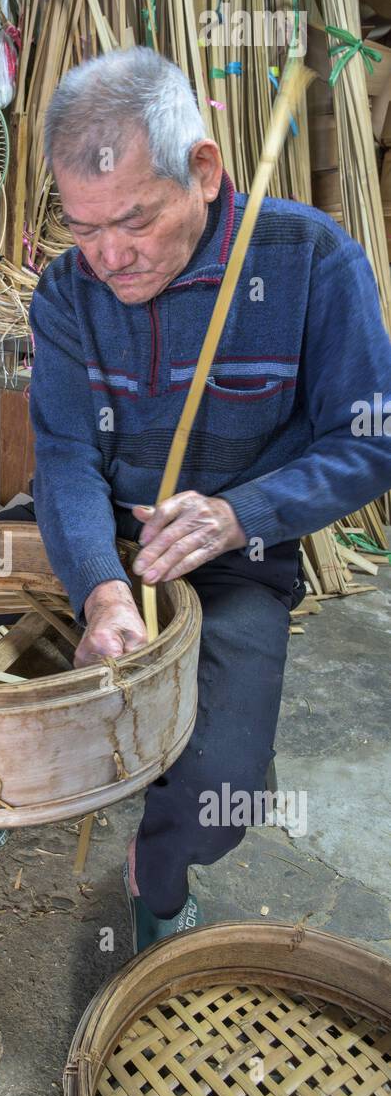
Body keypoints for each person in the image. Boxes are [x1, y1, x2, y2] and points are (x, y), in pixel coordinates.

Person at [28, 46, 391, 952]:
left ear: (204, 168)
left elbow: (371, 437)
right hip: (95, 534)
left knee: (218, 796)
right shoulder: (69, 293)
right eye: (82, 228)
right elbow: (66, 455)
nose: (109, 257)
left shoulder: (309, 260)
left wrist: (244, 513)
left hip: (235, 558)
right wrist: (102, 589)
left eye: (134, 220)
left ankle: (156, 867)